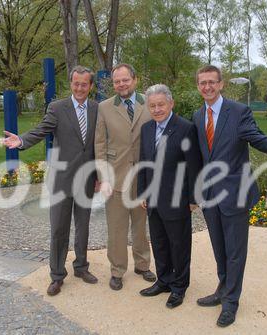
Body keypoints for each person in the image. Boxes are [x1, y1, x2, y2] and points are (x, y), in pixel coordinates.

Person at [192, 65, 267, 327]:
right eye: (202, 83)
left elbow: (256, 137)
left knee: (235, 251)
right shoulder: (197, 116)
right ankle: (222, 289)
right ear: (198, 86)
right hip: (209, 194)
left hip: (235, 194)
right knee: (219, 247)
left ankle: (231, 303)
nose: (207, 87)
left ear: (221, 84)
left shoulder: (238, 112)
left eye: (212, 82)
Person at [1, 65, 99, 296]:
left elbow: (99, 145)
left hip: (86, 179)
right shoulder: (57, 108)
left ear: (90, 86)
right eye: (76, 83)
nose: (80, 88)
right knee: (59, 229)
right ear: (71, 84)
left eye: (84, 84)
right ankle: (57, 275)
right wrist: (22, 141)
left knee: (83, 227)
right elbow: (41, 130)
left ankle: (81, 267)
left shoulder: (97, 109)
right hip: (61, 180)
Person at [137, 84, 202, 308]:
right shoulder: (146, 129)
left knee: (179, 245)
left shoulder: (185, 128)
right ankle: (163, 280)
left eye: (161, 105)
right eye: (152, 106)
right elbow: (143, 161)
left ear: (171, 103)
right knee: (159, 243)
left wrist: (194, 198)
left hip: (177, 199)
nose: (156, 109)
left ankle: (179, 286)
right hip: (153, 200)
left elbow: (194, 166)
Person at [94, 63, 156, 290]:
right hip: (116, 177)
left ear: (135, 80)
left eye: (125, 80)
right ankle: (117, 270)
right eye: (117, 81)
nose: (121, 84)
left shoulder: (149, 103)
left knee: (141, 227)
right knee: (117, 229)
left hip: (143, 178)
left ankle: (142, 265)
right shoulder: (104, 107)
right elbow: (99, 144)